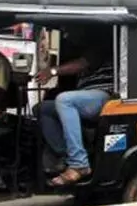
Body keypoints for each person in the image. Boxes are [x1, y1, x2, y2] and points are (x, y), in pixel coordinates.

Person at [35, 27, 114, 186]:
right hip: (87, 96)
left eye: (70, 31)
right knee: (42, 108)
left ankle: (79, 163)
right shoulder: (79, 51)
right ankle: (64, 155)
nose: (68, 35)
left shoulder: (98, 46)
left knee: (65, 100)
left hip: (104, 95)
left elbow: (82, 64)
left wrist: (52, 71)